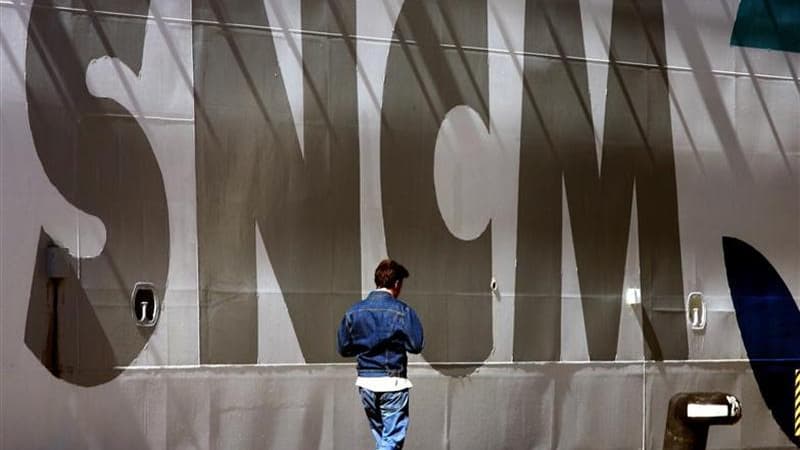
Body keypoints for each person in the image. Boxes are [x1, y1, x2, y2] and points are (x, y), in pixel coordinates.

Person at [337, 259, 424, 450]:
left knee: (383, 440)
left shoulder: (353, 312)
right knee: (391, 441)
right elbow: (416, 345)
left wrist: (364, 347)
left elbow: (344, 348)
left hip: (366, 383)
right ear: (397, 283)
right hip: (393, 383)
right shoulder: (403, 311)